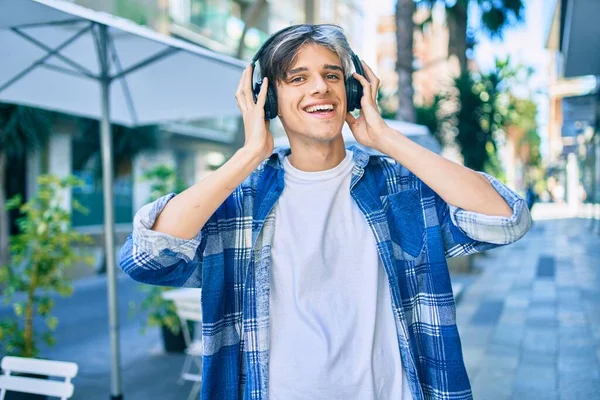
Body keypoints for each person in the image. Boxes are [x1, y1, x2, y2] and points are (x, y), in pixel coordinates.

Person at [119, 24, 532, 400]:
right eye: (298, 78)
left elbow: (506, 220)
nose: (320, 87)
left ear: (352, 92)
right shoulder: (240, 200)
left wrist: (384, 138)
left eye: (332, 75)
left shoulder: (397, 187)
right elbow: (147, 258)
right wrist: (247, 155)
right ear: (267, 101)